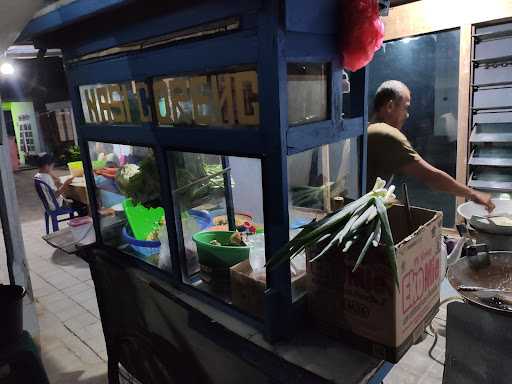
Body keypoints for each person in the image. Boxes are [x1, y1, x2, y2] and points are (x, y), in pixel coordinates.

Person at [367, 80, 495, 212]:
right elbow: (432, 178)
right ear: (390, 106)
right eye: (405, 107)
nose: (407, 115)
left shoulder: (368, 128)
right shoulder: (385, 133)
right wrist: (473, 194)